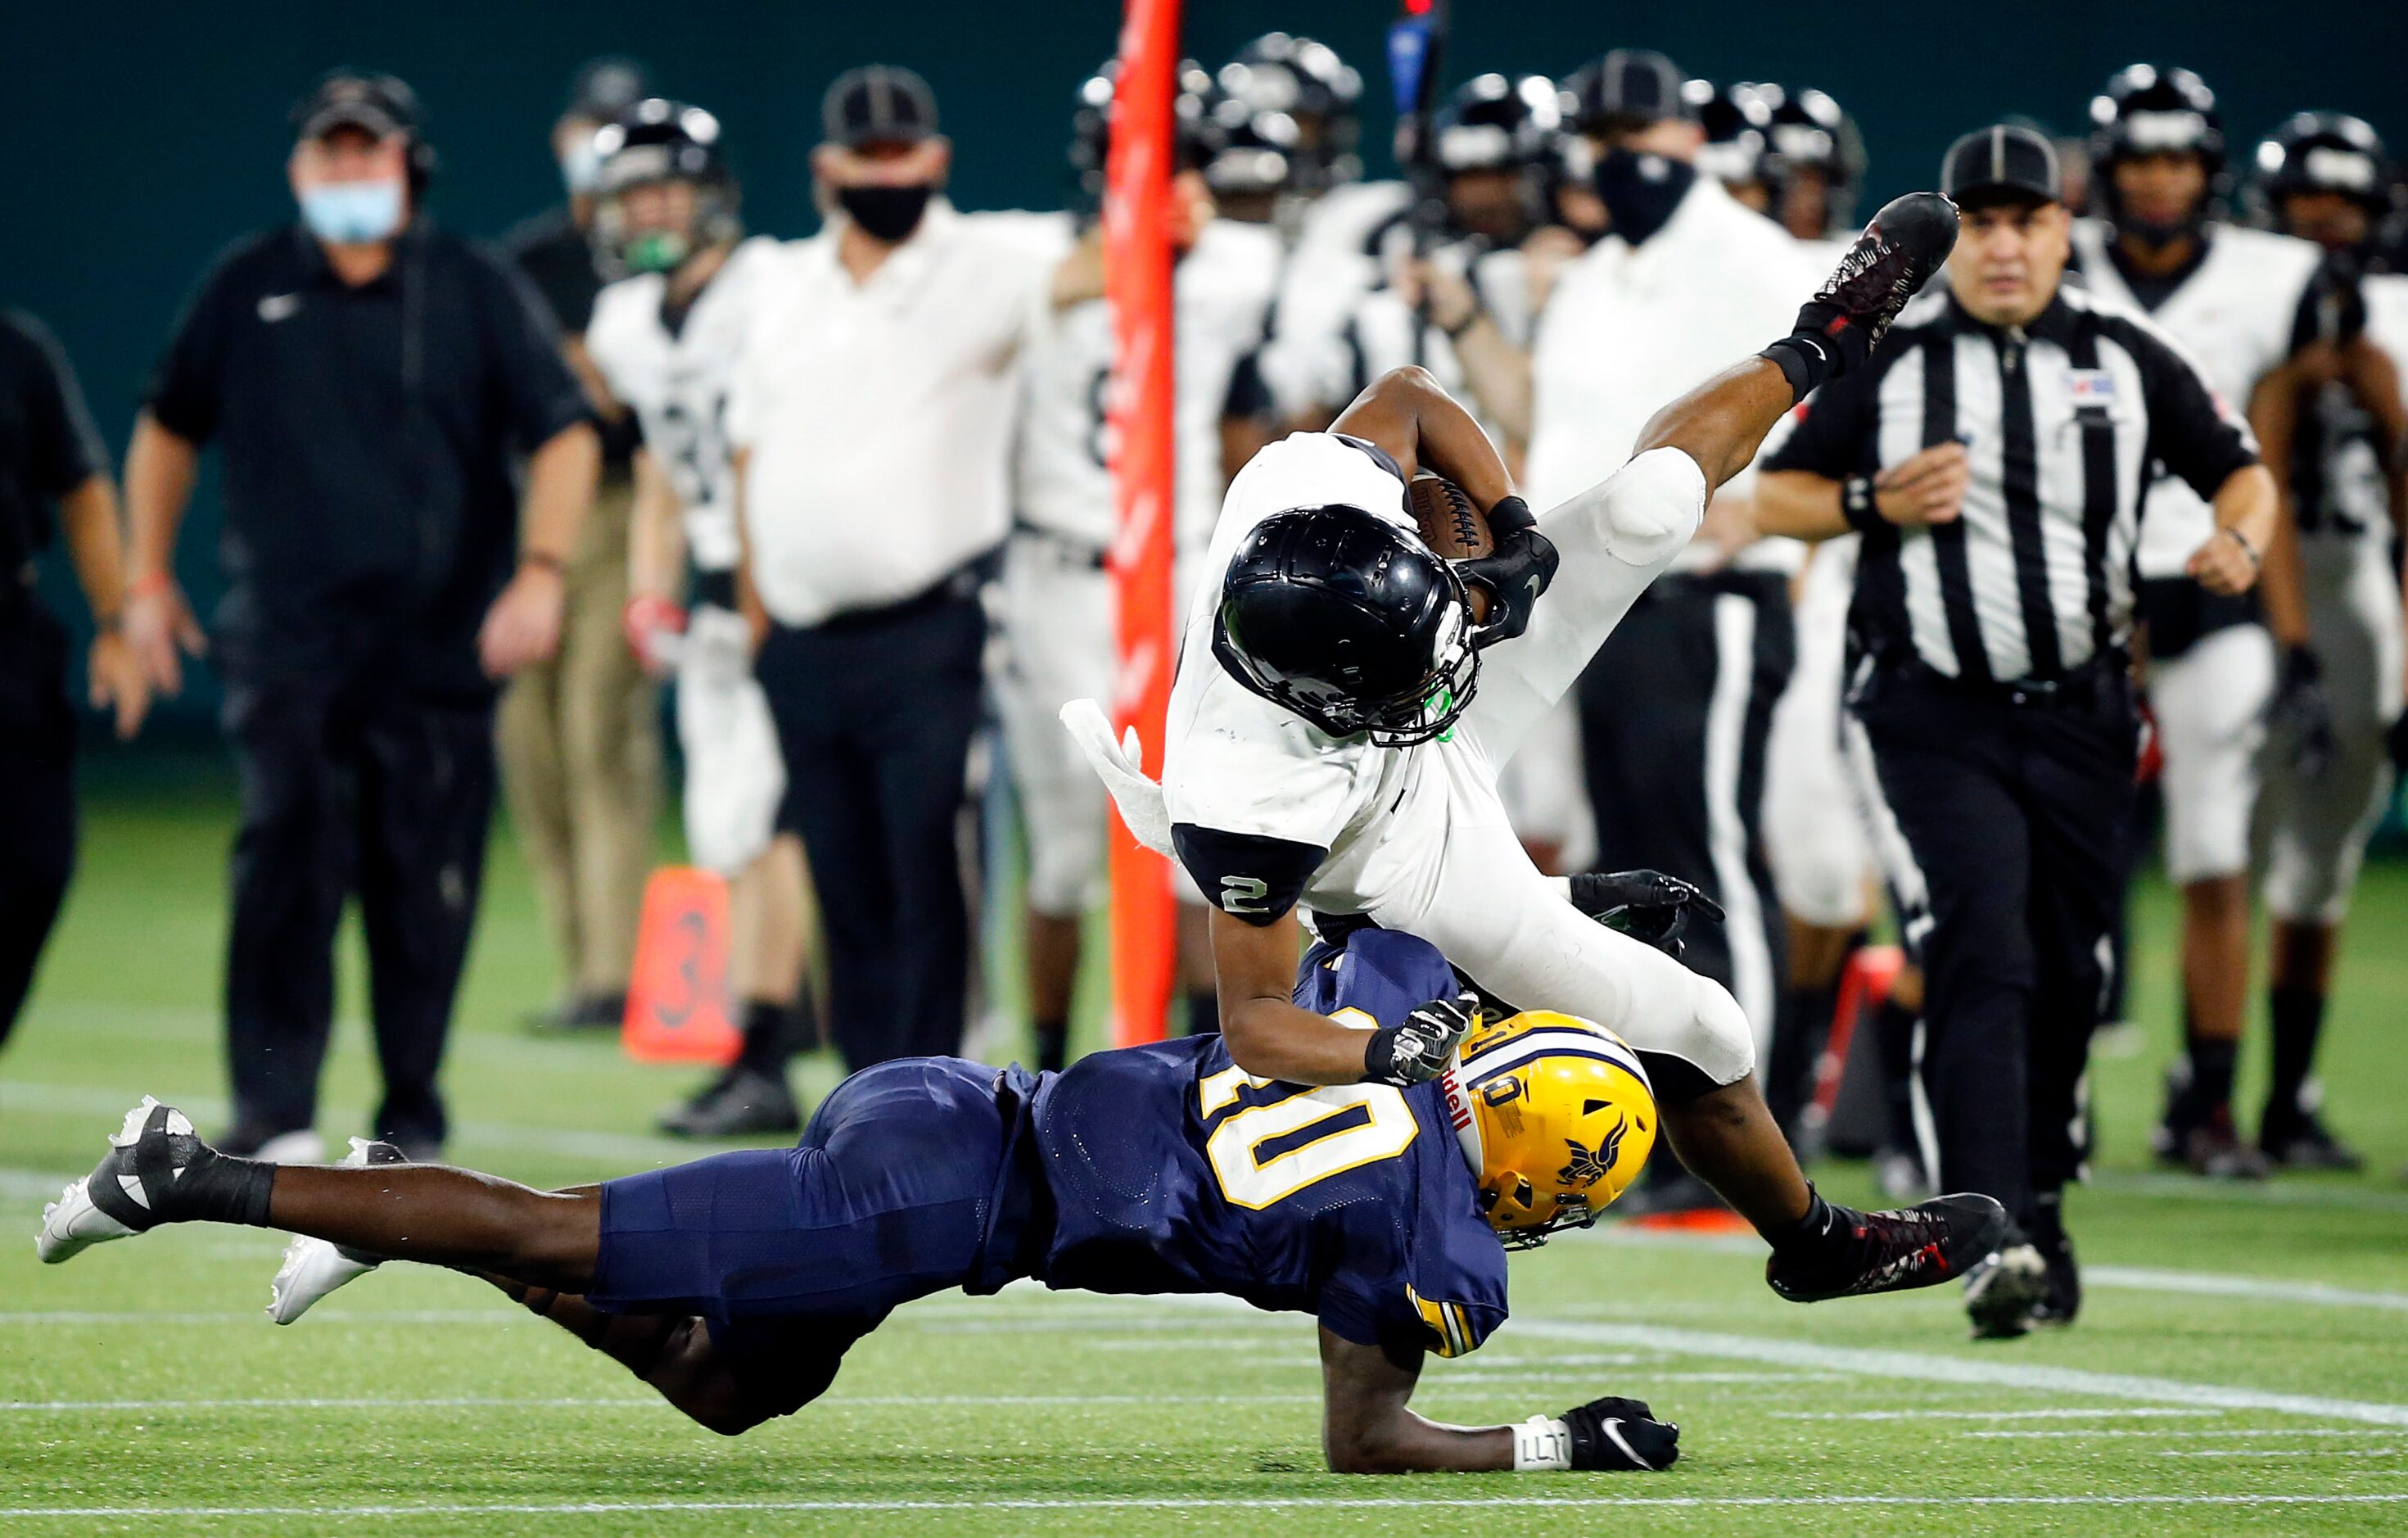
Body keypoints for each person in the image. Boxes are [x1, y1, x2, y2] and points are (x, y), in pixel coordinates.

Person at [1068, 183, 2010, 1310]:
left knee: (1650, 505)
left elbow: (1409, 397)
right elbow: (1259, 1022)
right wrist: (1390, 1052)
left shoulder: (1305, 488)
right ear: (1312, 693)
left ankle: (1824, 337)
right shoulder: (1245, 796)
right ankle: (1814, 1240)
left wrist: (1506, 529)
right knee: (1701, 1021)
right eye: (1407, 671)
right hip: (1392, 850)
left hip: (1395, 706)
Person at [62, 923, 1852, 1473]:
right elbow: (1366, 1441)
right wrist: (1547, 1449)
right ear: (1541, 1169)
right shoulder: (1444, 1241)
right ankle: (186, 1172)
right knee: (564, 1228)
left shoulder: (1388, 1010)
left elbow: (1343, 934)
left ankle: (380, 1199)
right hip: (931, 1203)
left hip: (949, 1116)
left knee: (730, 1387)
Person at [1755, 124, 2279, 1337]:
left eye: (2024, 221)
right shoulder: (1890, 360)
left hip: (2087, 709)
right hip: (1932, 709)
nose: (2000, 244)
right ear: (1957, 238)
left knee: (2067, 970)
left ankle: (2039, 1206)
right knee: (1980, 944)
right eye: (1979, 223)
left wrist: (2238, 541)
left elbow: (2239, 468)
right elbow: (1771, 490)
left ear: (2061, 230)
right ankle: (1990, 1232)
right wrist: (1865, 500)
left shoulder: (2125, 352)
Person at [121, 71, 599, 1162]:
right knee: (287, 854)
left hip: (436, 648)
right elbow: (167, 422)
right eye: (327, 153)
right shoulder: (246, 285)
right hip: (292, 640)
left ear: (407, 167)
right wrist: (147, 576)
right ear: (298, 169)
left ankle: (410, 1113)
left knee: (423, 887)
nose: (346, 171)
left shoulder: (473, 287)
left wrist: (541, 571)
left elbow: (563, 429)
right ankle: (276, 1107)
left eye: (366, 153)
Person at [732, 66, 1080, 1071]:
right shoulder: (780, 282)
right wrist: (763, 625)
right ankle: (862, 1101)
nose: (889, 169)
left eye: (903, 150)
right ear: (823, 168)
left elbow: (1105, 262)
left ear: (937, 158)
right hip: (799, 640)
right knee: (839, 878)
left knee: (925, 867)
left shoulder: (988, 262)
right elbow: (749, 453)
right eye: (868, 153)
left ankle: (931, 1095)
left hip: (923, 628)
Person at [1525, 50, 1824, 1211]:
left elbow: (1811, 405)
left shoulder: (1751, 255)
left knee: (1712, 860)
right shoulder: (1600, 275)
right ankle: (1667, 1133)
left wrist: (1759, 519)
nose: (1623, 156)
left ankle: (1754, 1135)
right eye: (1602, 137)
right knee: (1638, 879)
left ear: (1693, 137)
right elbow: (1563, 440)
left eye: (1643, 133)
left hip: (1714, 591)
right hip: (1601, 606)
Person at [2071, 66, 2327, 1178]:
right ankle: (2053, 1099)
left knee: (2216, 850)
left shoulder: (2281, 280)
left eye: (2179, 159)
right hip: (2074, 589)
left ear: (2211, 172)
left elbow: (2329, 399)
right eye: (2141, 159)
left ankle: (2210, 1101)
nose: (2161, 181)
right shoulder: (2050, 263)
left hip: (2214, 580)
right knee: (2059, 859)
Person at [997, 65, 1281, 1068]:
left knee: (1201, 846)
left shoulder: (1242, 268)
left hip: (1183, 579)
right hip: (1062, 575)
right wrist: (1126, 244)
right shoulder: (1033, 257)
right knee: (1067, 855)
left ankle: (1204, 1074)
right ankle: (1043, 1068)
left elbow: (1260, 420)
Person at [583, 99, 820, 1136]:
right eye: (632, 191)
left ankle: (769, 1044)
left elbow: (784, 445)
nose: (650, 209)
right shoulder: (623, 323)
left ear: (710, 192)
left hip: (786, 581)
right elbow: (658, 463)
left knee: (769, 822)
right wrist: (648, 577)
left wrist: (769, 590)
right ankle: (775, 1032)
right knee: (729, 830)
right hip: (715, 597)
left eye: (665, 186)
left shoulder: (771, 289)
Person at [2246, 111, 2408, 1170]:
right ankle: (2199, 1084)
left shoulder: (2392, 315)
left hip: (2355, 599)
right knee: (2214, 850)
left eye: (2342, 202)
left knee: (2319, 861)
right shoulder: (2240, 298)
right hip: (2226, 593)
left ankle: (2287, 1091)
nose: (2324, 222)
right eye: (2308, 200)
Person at [498, 56, 663, 1034]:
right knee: (532, 745)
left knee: (602, 732)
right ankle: (579, 964)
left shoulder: (655, 258)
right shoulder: (532, 259)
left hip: (626, 502)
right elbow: (529, 389)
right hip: (534, 515)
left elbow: (616, 395)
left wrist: (584, 371)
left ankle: (618, 975)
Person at [0, 311, 150, 1052]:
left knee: (37, 863)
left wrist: (116, 625)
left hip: (9, 633)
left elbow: (83, 486)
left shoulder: (18, 350)